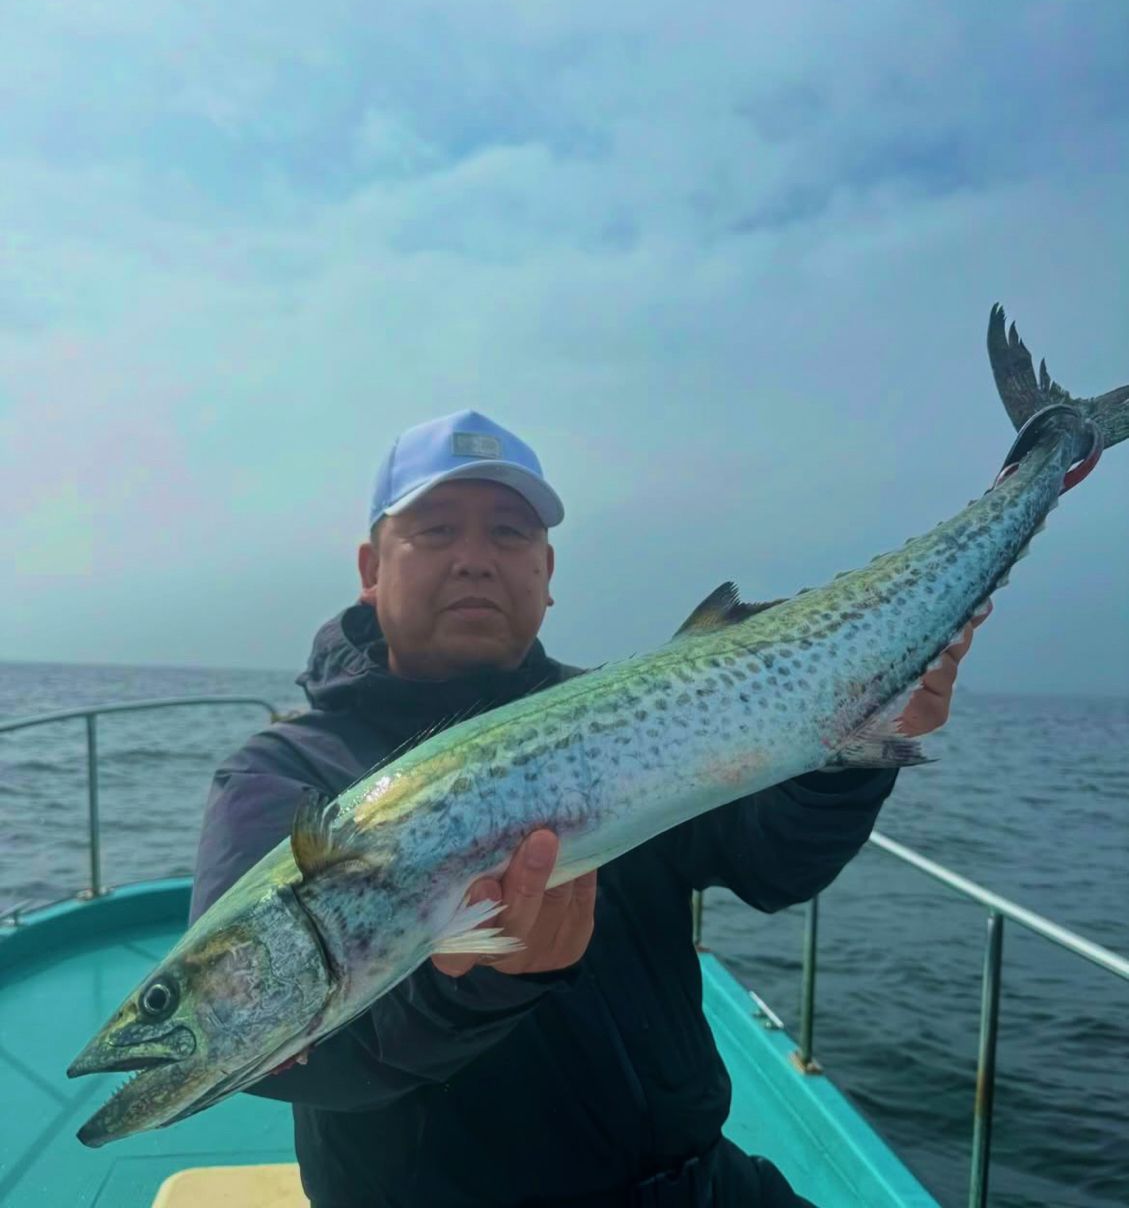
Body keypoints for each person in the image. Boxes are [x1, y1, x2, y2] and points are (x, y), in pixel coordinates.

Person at [190, 409, 984, 1208]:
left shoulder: (646, 705)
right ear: (370, 565)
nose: (474, 560)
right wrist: (472, 989)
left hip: (698, 1184)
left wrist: (844, 750)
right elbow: (297, 1059)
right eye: (434, 530)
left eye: (508, 533)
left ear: (547, 568)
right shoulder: (284, 774)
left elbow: (775, 865)